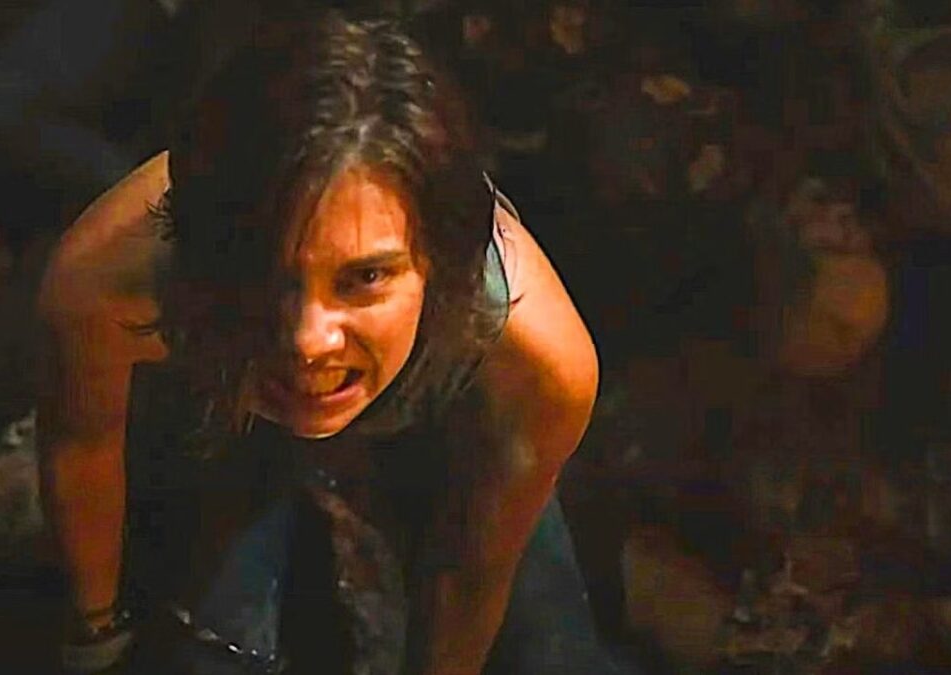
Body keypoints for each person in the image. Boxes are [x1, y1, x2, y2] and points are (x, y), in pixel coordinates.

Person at [38, 9, 605, 673]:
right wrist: (96, 636)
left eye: (364, 278)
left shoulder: (539, 363)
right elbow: (85, 446)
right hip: (225, 397)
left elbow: (473, 570)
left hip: (443, 414)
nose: (308, 338)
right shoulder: (107, 283)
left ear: (439, 267)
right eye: (264, 270)